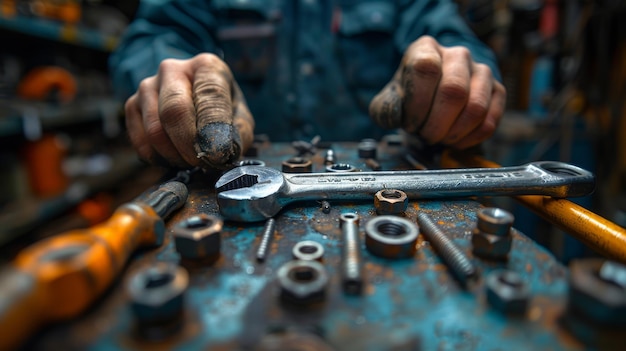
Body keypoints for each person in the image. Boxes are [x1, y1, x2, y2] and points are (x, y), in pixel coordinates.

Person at [109, 0, 506, 170]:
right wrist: (171, 81)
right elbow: (153, 38)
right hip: (225, 181)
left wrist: (459, 76)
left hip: (384, 185)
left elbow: (458, 44)